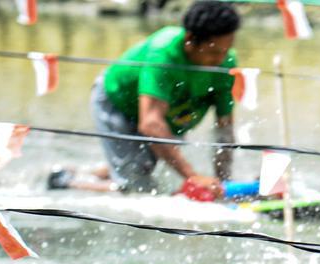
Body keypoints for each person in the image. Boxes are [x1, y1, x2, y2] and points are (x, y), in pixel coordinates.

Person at [48, 1, 241, 196]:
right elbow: (150, 124)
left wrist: (224, 182)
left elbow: (224, 128)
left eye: (226, 50)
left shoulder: (226, 63)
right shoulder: (163, 54)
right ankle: (65, 181)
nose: (220, 59)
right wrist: (193, 178)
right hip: (119, 104)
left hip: (165, 116)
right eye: (214, 52)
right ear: (190, 39)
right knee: (137, 189)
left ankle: (94, 171)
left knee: (150, 168)